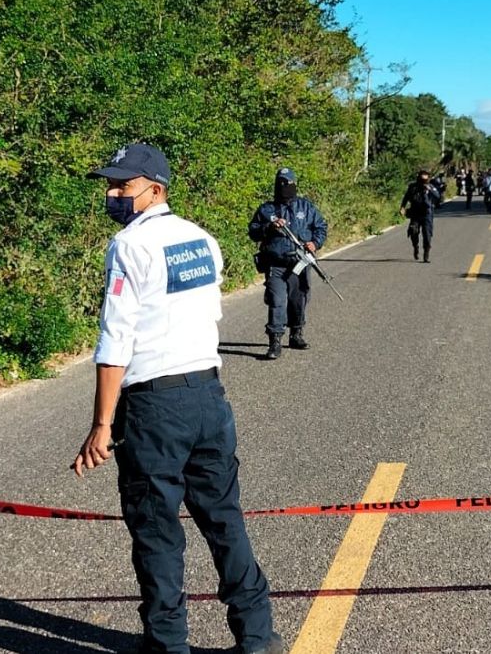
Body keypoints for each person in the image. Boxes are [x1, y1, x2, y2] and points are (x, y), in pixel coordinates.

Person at [72, 143, 284, 654]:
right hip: (208, 396)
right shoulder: (202, 239)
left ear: (155, 189)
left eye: (122, 186)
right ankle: (258, 636)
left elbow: (115, 339)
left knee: (156, 530)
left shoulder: (128, 246)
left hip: (154, 407)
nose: (112, 194)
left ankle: (168, 643)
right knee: (224, 519)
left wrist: (102, 424)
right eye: (111, 185)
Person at [247, 168, 328, 360]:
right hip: (276, 264)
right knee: (277, 301)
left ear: (294, 184)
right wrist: (269, 227)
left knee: (298, 300)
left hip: (300, 263)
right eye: (281, 183)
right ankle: (275, 341)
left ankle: (296, 334)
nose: (285, 187)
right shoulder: (266, 210)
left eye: (288, 183)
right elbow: (253, 232)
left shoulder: (306, 207)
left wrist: (315, 243)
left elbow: (321, 227)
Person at [399, 170, 442, 262]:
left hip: (427, 214)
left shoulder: (431, 187)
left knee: (427, 235)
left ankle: (426, 255)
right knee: (413, 231)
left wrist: (429, 189)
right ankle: (415, 246)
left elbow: (438, 196)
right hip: (415, 213)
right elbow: (406, 197)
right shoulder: (412, 187)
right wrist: (402, 207)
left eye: (426, 177)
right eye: (422, 177)